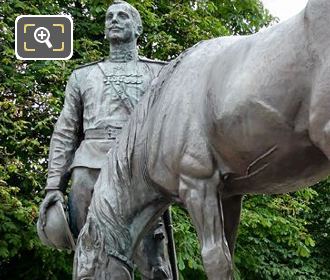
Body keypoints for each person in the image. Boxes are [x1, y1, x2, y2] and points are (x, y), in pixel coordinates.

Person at [38, 1, 175, 279]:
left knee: (153, 261)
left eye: (123, 16)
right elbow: (65, 132)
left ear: (137, 28)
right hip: (88, 168)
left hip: (140, 168)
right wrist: (54, 185)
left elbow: (172, 128)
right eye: (109, 17)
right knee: (89, 257)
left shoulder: (159, 72)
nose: (114, 20)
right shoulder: (82, 75)